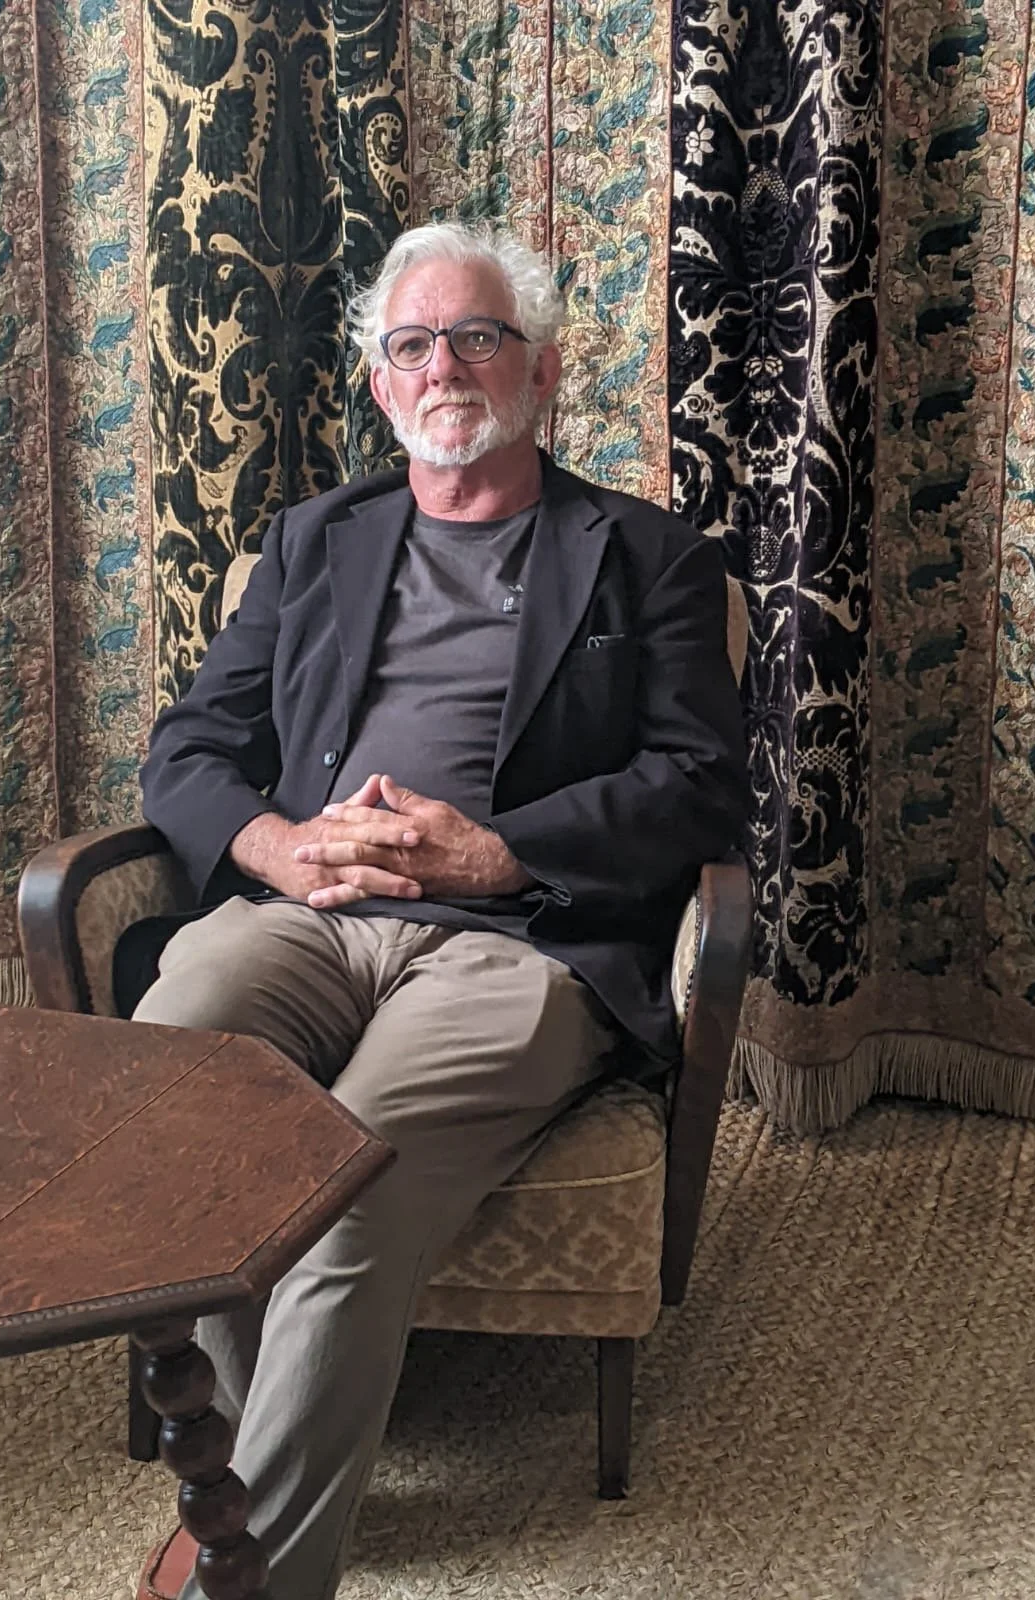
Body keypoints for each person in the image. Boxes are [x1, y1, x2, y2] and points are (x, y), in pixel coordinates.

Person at [133, 220, 748, 1600]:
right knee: (177, 1092)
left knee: (351, 1180)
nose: (444, 365)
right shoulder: (313, 542)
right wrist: (275, 846)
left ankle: (248, 1572)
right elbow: (188, 751)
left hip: (519, 941)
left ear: (542, 371)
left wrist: (498, 855)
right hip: (311, 911)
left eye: (478, 336)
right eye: (413, 343)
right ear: (377, 381)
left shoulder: (648, 555)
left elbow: (701, 790)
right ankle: (241, 1460)